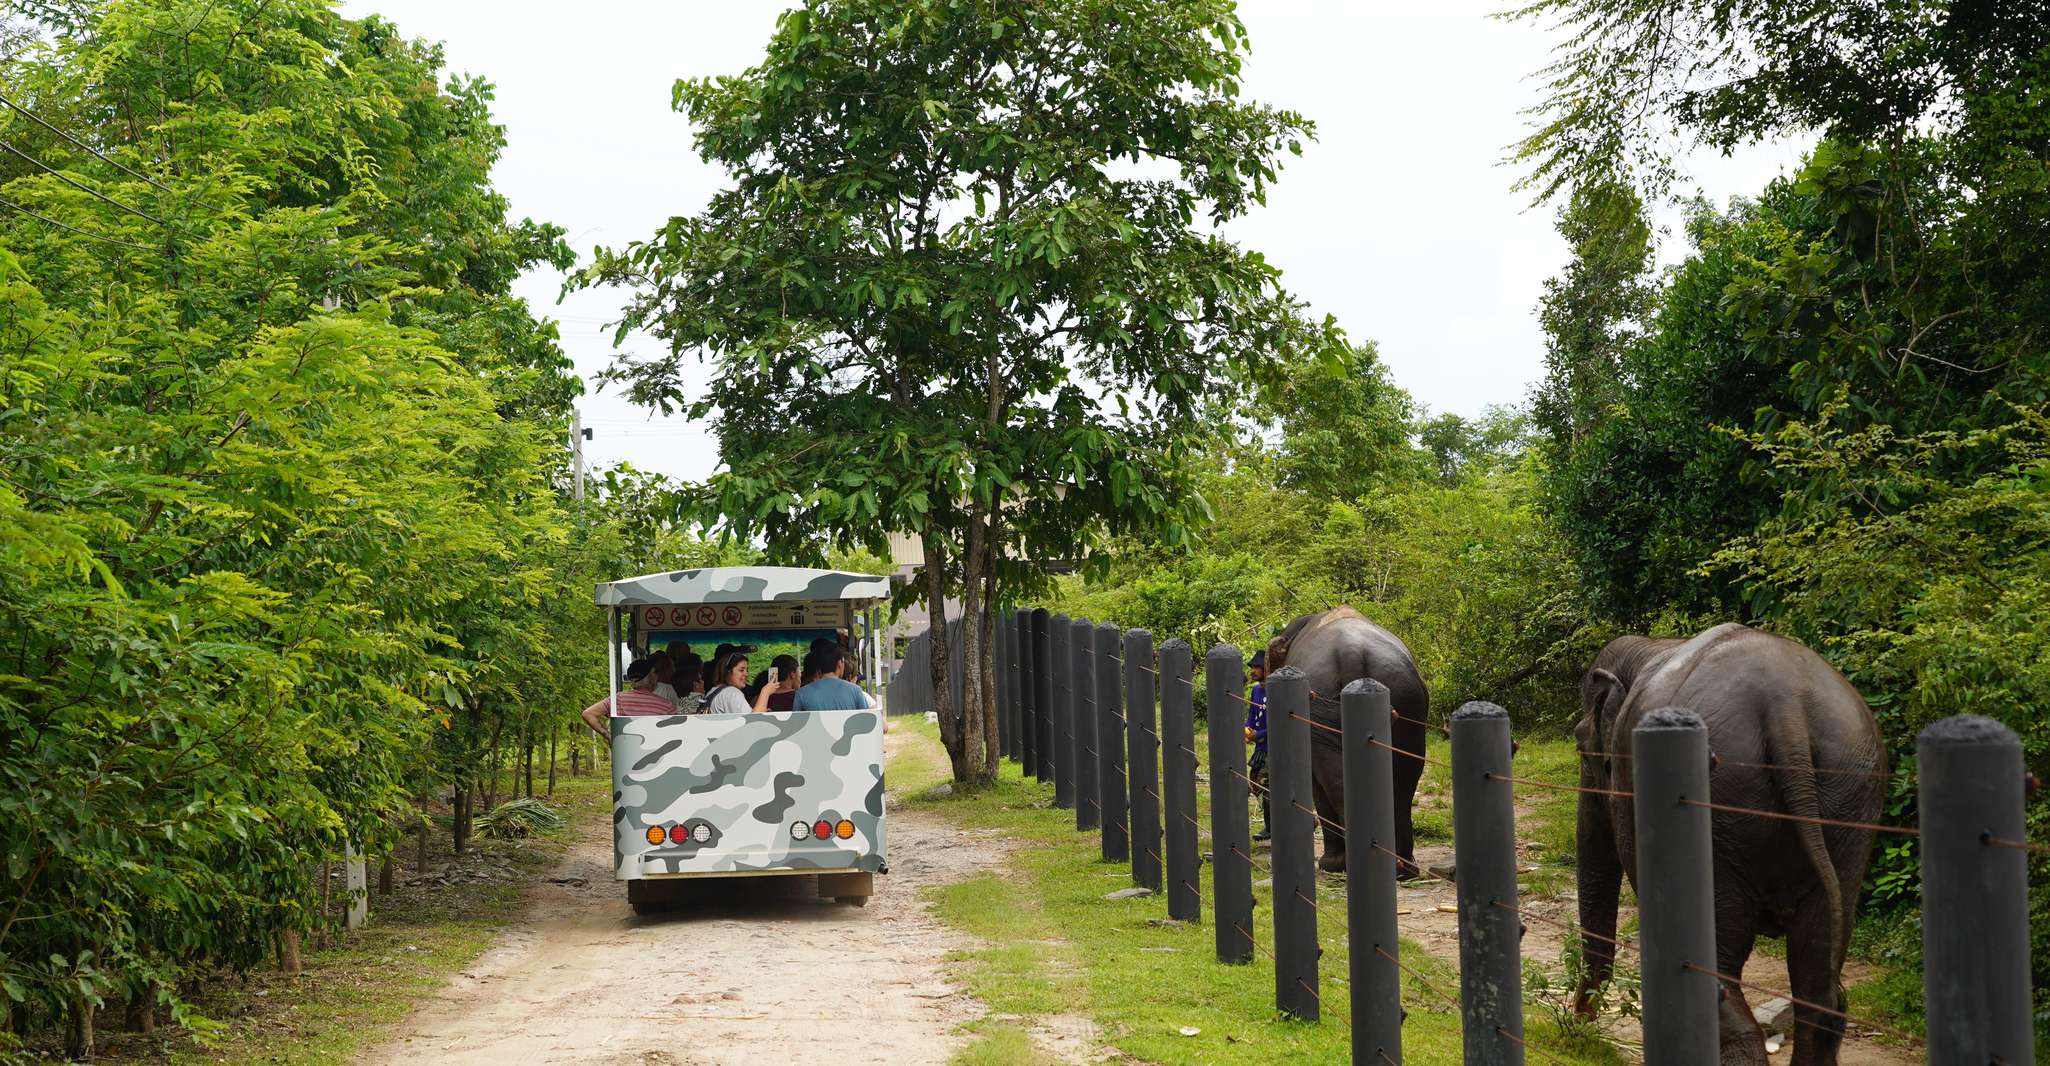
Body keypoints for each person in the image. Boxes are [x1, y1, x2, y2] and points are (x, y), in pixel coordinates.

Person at [578, 657, 680, 737]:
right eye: (655, 673)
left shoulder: (618, 699)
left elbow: (588, 714)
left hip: (625, 756)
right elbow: (677, 730)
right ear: (650, 677)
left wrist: (608, 736)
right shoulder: (666, 705)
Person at [791, 646, 874, 712]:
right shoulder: (855, 690)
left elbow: (797, 726)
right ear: (840, 663)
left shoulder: (801, 693)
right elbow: (866, 722)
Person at [1246, 649, 1271, 842]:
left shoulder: (1276, 690)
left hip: (1272, 746)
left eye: (1257, 667)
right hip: (1260, 748)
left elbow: (1278, 723)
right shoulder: (1255, 690)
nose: (1253, 671)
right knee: (1254, 780)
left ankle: (1271, 827)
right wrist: (1247, 731)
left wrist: (1259, 735)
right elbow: (1252, 717)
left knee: (1265, 783)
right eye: (1252, 667)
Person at [704, 649, 775, 714]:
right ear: (727, 672)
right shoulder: (732, 693)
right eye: (741, 670)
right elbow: (753, 721)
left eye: (747, 670)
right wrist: (765, 692)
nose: (746, 674)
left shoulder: (712, 691)